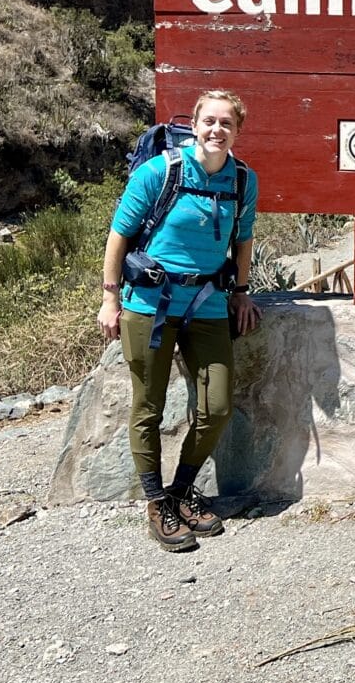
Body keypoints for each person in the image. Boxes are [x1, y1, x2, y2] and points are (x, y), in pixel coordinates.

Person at [98, 89, 261, 552]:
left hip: (208, 300)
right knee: (147, 405)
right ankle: (156, 502)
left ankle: (182, 489)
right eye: (209, 121)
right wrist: (110, 300)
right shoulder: (160, 172)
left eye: (226, 123)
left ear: (237, 130)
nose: (216, 131)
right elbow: (119, 235)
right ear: (194, 124)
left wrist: (242, 293)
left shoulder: (242, 179)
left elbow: (243, 239)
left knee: (218, 405)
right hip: (149, 303)